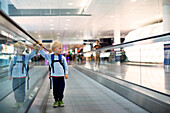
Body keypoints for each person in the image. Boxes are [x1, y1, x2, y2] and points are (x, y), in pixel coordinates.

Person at [39, 41, 68, 107]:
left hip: (61, 76)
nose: (61, 50)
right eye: (60, 48)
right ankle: (56, 100)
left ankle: (60, 99)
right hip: (54, 76)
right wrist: (41, 48)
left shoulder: (62, 58)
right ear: (54, 49)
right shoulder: (50, 56)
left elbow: (65, 67)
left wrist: (66, 73)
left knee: (61, 88)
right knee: (55, 88)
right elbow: (44, 54)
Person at [8, 41, 37, 107]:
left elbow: (32, 54)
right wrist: (10, 74)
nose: (17, 50)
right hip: (14, 77)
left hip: (22, 77)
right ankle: (17, 101)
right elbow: (10, 67)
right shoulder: (13, 58)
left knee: (21, 89)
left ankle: (21, 101)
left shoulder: (26, 57)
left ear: (22, 49)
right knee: (15, 89)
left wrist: (34, 47)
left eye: (19, 48)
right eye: (16, 48)